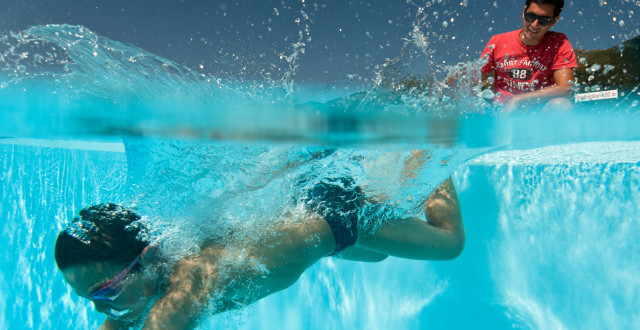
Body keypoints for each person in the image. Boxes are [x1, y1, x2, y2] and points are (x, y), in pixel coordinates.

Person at [55, 175, 464, 329]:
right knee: (378, 255)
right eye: (90, 298)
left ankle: (437, 148)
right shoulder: (148, 279)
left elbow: (163, 324)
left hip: (338, 216)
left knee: (448, 244)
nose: (98, 310)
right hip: (307, 216)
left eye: (103, 293)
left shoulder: (187, 285)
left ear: (143, 261)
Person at [480, 0, 578, 112]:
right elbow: (474, 81)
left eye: (544, 20)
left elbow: (566, 87)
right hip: (503, 112)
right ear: (524, 12)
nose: (534, 24)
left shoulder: (559, 43)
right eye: (531, 16)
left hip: (538, 111)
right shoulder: (497, 41)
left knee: (561, 105)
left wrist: (519, 100)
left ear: (554, 21)